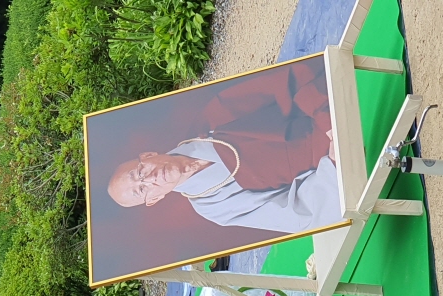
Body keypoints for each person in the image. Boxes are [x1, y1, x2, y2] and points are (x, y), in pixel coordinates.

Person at [106, 62, 342, 235]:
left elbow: (288, 80)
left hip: (334, 109)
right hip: (338, 167)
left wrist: (329, 123)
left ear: (148, 155)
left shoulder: (213, 118)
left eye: (140, 172)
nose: (150, 179)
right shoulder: (212, 206)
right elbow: (298, 213)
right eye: (142, 189)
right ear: (155, 199)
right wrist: (332, 165)